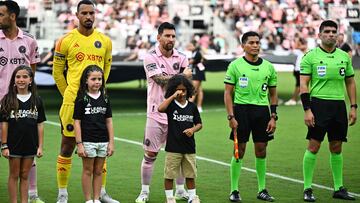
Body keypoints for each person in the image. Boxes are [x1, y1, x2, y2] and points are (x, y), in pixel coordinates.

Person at [52, 1, 118, 203]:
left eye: (91, 13)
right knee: (67, 145)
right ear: (77, 15)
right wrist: (69, 95)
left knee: (100, 146)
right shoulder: (65, 40)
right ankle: (62, 193)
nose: (88, 16)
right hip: (73, 103)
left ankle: (101, 193)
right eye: (84, 13)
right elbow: (57, 72)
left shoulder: (105, 41)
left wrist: (97, 92)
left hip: (97, 104)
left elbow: (105, 71)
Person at [300, 20, 357, 202]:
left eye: (334, 31)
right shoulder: (310, 56)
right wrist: (307, 109)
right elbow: (303, 84)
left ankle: (338, 187)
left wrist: (353, 106)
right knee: (314, 146)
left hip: (339, 106)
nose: (331, 34)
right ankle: (307, 188)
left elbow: (350, 81)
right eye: (327, 31)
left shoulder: (344, 57)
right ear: (320, 35)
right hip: (318, 106)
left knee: (336, 147)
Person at [135, 22, 192, 203]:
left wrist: (181, 78)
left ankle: (181, 190)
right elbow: (161, 80)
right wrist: (182, 76)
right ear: (158, 37)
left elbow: (187, 82)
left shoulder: (182, 57)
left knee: (179, 154)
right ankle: (144, 192)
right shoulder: (150, 57)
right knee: (150, 155)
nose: (171, 39)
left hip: (178, 114)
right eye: (167, 36)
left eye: (173, 36)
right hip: (156, 114)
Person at [224, 31, 278, 202]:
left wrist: (273, 116)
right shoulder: (235, 65)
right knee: (239, 150)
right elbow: (227, 93)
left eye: (257, 42)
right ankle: (234, 190)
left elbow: (273, 94)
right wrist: (231, 116)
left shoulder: (268, 66)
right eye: (252, 42)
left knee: (261, 150)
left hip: (262, 112)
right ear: (243, 46)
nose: (255, 45)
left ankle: (262, 189)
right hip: (241, 111)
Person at [0, 1, 43, 203]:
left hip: (20, 104)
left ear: (13, 16)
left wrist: (26, 95)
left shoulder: (29, 40)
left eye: (1, 14)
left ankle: (32, 194)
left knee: (26, 146)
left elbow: (31, 71)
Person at [0, 65, 45, 203]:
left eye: (25, 76)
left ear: (30, 80)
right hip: (13, 144)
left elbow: (40, 124)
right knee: (14, 175)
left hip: (30, 144)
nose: (21, 79)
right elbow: (4, 124)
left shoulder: (37, 100)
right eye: (18, 77)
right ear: (14, 80)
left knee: (25, 175)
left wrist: (40, 146)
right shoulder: (8, 99)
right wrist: (4, 145)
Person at [73, 65, 115, 203]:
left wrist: (111, 143)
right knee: (88, 170)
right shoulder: (81, 99)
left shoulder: (105, 98)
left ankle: (96, 199)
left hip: (103, 141)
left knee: (98, 171)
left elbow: (109, 121)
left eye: (99, 79)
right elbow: (77, 122)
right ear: (86, 81)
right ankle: (88, 199)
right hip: (87, 141)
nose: (97, 82)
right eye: (93, 79)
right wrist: (79, 144)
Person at [158, 75, 202, 203]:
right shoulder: (171, 105)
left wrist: (192, 130)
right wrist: (172, 96)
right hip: (173, 147)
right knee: (169, 175)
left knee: (190, 175)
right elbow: (160, 108)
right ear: (173, 90)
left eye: (184, 90)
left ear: (188, 90)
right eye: (178, 90)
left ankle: (192, 197)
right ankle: (170, 198)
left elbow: (199, 124)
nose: (181, 93)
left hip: (189, 147)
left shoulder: (192, 107)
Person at [285, 38, 307, 106]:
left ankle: (294, 99)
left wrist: (297, 42)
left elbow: (298, 47)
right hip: (298, 69)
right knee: (301, 85)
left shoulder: (303, 48)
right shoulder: (300, 49)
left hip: (300, 69)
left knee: (299, 85)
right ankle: (302, 100)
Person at [187, 41, 206, 113]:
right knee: (199, 90)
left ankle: (189, 107)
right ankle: (199, 107)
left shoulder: (197, 53)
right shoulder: (194, 53)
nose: (188, 47)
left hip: (197, 73)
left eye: (190, 46)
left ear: (194, 46)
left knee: (194, 90)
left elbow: (190, 62)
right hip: (197, 72)